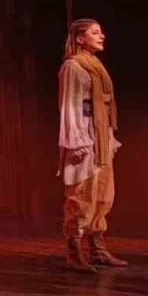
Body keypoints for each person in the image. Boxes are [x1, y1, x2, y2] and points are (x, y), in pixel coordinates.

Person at [58, 19, 127, 272]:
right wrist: (76, 141)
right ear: (79, 38)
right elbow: (70, 105)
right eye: (95, 32)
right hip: (84, 134)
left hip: (100, 133)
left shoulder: (95, 64)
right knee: (82, 192)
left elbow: (104, 104)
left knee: (103, 192)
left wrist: (109, 136)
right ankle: (74, 250)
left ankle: (97, 248)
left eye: (101, 31)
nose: (102, 36)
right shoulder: (73, 66)